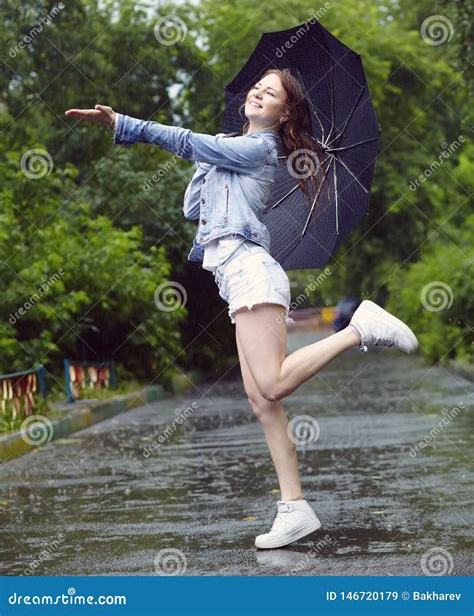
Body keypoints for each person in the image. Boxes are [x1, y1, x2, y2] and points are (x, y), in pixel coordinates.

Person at [65, 68, 418, 549]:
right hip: (236, 280)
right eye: (257, 86)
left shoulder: (260, 149)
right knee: (263, 402)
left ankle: (358, 329)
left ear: (284, 112)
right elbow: (193, 207)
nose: (258, 92)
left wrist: (125, 124)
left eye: (270, 92)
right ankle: (294, 508)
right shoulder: (233, 147)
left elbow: (187, 143)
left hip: (251, 271)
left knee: (271, 383)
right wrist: (209, 156)